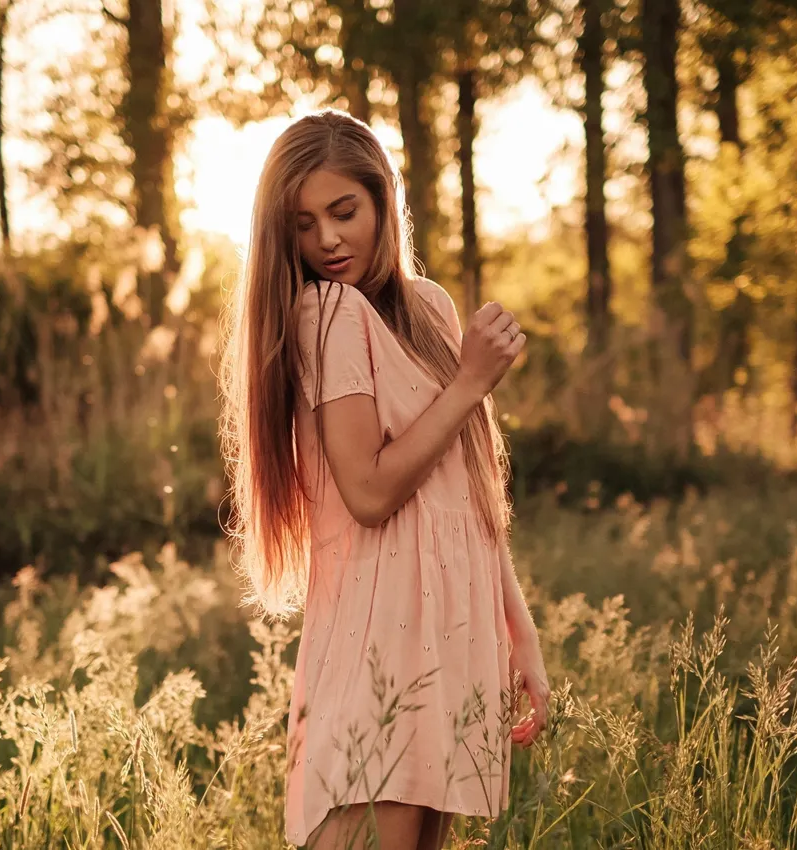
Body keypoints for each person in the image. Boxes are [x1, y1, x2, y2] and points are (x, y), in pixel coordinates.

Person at [218, 109, 550, 850]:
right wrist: (470, 384)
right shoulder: (326, 314)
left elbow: (470, 496)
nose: (328, 240)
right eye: (303, 223)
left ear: (383, 202)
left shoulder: (430, 309)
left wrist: (517, 635)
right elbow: (367, 494)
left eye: (344, 211)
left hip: (451, 637)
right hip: (380, 642)